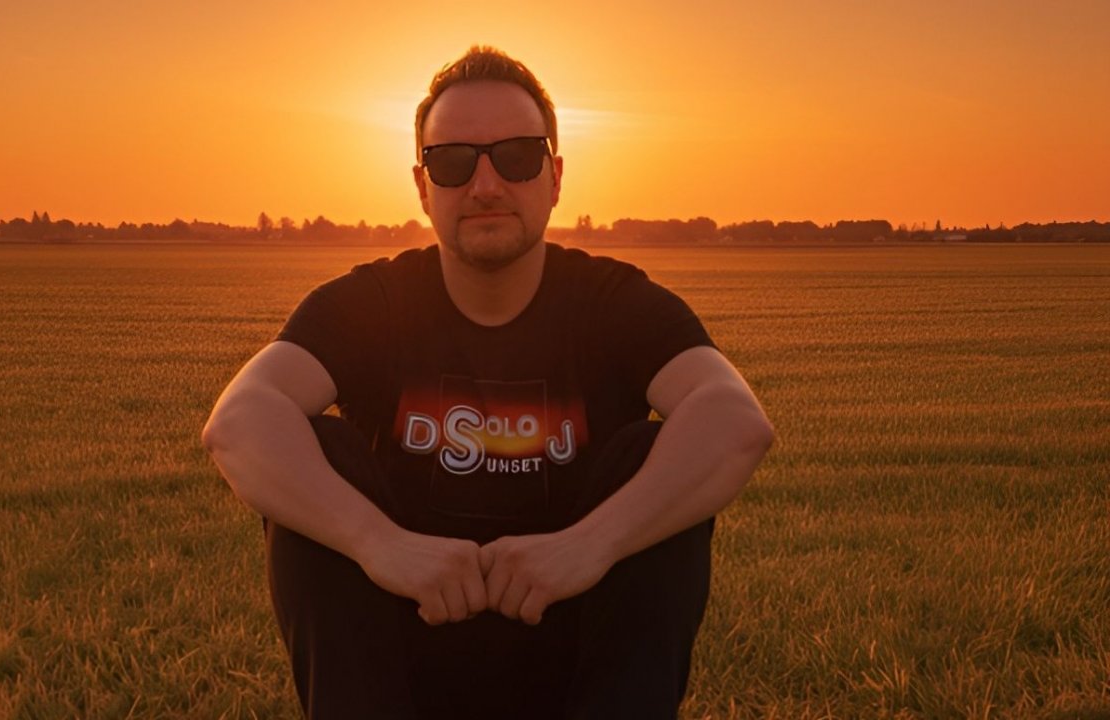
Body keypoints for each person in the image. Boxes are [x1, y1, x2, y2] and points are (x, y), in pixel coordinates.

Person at [203, 45, 774, 720]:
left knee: (657, 454)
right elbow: (239, 421)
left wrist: (588, 546)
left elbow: (734, 420)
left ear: (555, 177)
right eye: (453, 162)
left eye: (517, 156)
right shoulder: (371, 304)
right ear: (423, 187)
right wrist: (378, 543)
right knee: (315, 449)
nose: (486, 186)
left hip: (579, 663)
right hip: (397, 664)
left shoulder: (613, 303)